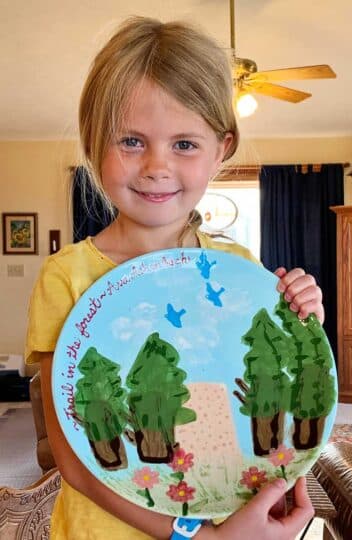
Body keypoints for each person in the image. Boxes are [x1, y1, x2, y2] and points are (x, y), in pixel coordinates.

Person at [25, 16, 320, 540]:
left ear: (220, 149)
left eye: (184, 144)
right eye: (131, 140)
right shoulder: (66, 276)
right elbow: (76, 462)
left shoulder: (239, 265)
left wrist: (304, 323)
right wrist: (198, 538)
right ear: (94, 144)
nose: (156, 167)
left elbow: (278, 391)